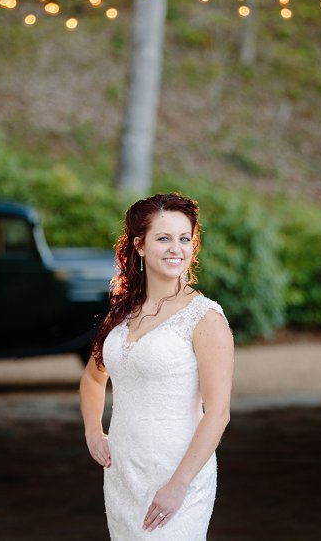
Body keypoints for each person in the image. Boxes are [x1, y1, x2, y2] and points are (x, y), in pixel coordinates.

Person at [79, 193, 234, 539]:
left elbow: (218, 412)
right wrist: (93, 430)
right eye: (163, 238)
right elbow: (93, 377)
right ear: (140, 245)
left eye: (184, 239)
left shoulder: (205, 318)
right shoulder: (121, 313)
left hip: (178, 477)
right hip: (123, 476)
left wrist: (178, 485)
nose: (175, 248)